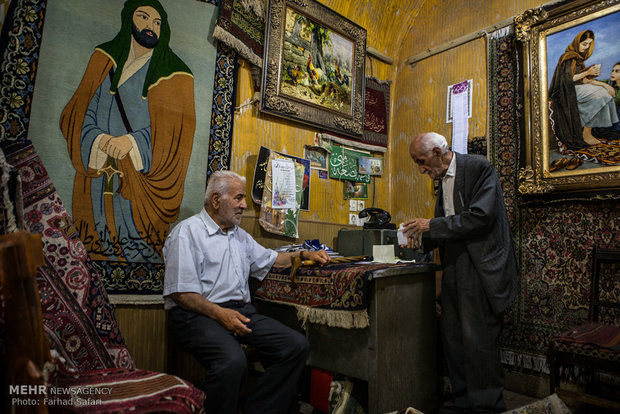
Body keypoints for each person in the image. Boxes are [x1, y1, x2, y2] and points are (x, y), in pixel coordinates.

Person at [164, 170, 331, 414]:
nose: (244, 205)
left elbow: (272, 259)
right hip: (195, 314)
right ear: (216, 200)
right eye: (239, 198)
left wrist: (304, 254)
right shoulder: (187, 232)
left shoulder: (240, 236)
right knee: (232, 362)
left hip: (239, 312)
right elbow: (183, 294)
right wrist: (221, 315)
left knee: (295, 346)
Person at [60, 0, 196, 263]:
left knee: (135, 246)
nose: (150, 27)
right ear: (128, 19)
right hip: (97, 171)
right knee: (93, 240)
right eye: (143, 17)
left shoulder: (178, 74)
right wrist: (98, 139)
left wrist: (132, 142)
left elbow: (177, 136)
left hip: (140, 181)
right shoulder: (103, 59)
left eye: (157, 22)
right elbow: (79, 111)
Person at [402, 132, 517, 413]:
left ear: (440, 152)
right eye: (417, 163)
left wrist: (431, 226)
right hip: (453, 265)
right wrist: (417, 237)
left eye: (423, 161)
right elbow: (446, 225)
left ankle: (488, 405)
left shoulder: (478, 167)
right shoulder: (442, 181)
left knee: (477, 339)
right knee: (454, 338)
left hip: (478, 268)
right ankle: (465, 402)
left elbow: (480, 217)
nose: (421, 169)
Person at [548, 30, 618, 149]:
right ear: (577, 42)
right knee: (600, 95)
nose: (586, 47)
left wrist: (602, 84)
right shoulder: (568, 57)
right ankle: (586, 133)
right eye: (584, 44)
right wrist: (587, 72)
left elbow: (583, 80)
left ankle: (588, 132)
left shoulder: (579, 59)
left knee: (604, 94)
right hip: (565, 92)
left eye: (589, 44)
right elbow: (567, 79)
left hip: (576, 89)